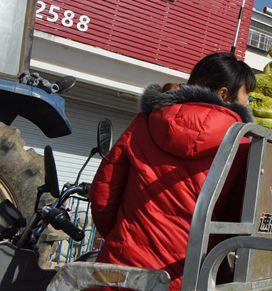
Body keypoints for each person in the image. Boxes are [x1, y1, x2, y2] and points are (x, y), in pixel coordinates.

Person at [89, 52, 256, 290]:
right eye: (246, 95)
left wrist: (121, 237)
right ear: (223, 94)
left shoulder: (145, 122)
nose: (248, 103)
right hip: (185, 276)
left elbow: (103, 193)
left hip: (122, 270)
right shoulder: (241, 144)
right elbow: (234, 221)